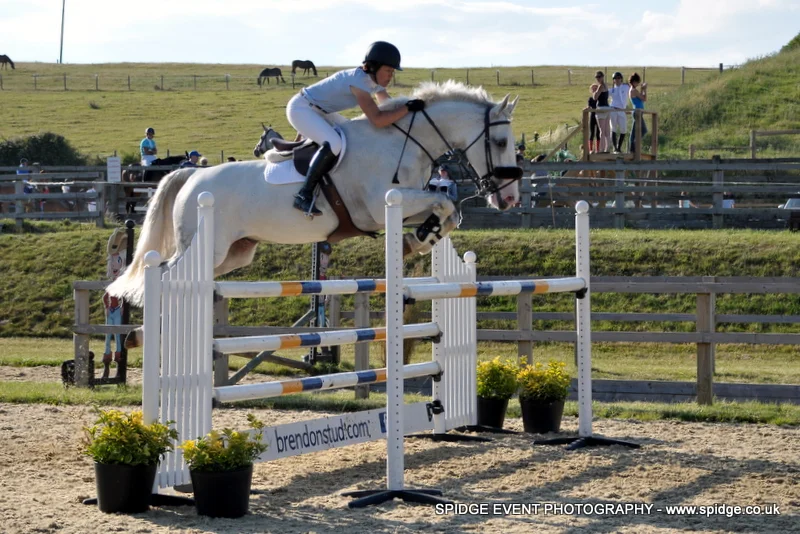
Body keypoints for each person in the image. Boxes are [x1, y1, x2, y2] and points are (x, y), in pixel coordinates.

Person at [286, 41, 424, 216]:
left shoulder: (371, 80)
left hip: (320, 111)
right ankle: (303, 194)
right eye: (388, 71)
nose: (391, 76)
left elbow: (387, 105)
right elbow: (378, 120)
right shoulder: (358, 81)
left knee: (352, 136)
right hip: (301, 108)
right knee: (335, 144)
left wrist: (411, 110)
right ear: (374, 67)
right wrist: (407, 108)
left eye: (392, 71)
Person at [608, 72, 630, 153]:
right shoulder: (611, 90)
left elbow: (632, 86)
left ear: (621, 79)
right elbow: (604, 97)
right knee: (613, 128)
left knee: (623, 129)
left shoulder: (626, 87)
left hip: (622, 110)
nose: (617, 80)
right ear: (613, 80)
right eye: (615, 78)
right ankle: (615, 148)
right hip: (613, 109)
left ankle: (619, 146)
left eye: (618, 78)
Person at [628, 73, 648, 154]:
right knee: (643, 130)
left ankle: (632, 148)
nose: (637, 84)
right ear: (633, 82)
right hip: (637, 112)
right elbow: (644, 98)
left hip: (637, 111)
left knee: (634, 131)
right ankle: (634, 146)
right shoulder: (634, 90)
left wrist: (642, 90)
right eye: (637, 82)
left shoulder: (633, 90)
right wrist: (644, 89)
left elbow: (642, 99)